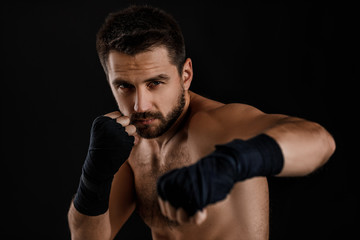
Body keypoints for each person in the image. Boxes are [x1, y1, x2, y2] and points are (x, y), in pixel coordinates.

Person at [67, 5, 335, 240]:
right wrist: (95, 175)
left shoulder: (215, 126)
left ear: (185, 75)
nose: (140, 105)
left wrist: (233, 162)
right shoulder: (128, 141)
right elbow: (87, 237)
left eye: (155, 83)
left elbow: (319, 141)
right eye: (124, 86)